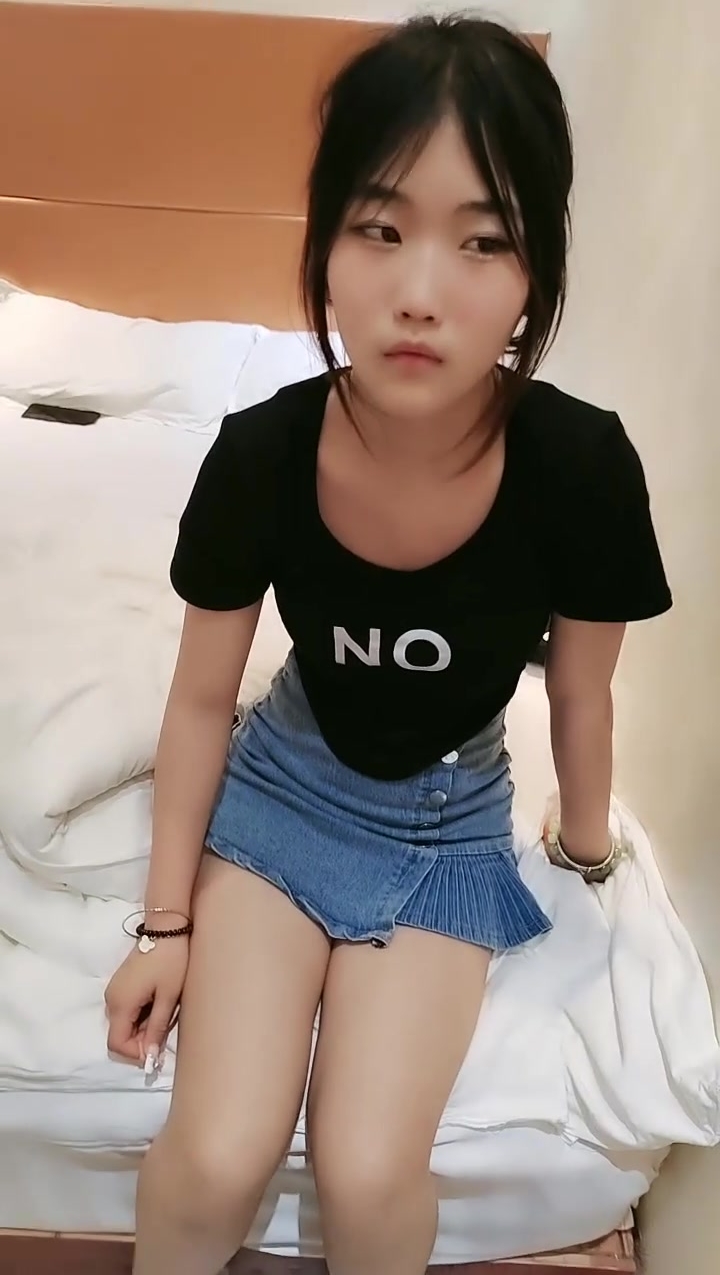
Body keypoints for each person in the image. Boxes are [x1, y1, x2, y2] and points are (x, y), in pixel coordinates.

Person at [105, 14, 672, 1275]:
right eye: (379, 227)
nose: (420, 291)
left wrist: (585, 850)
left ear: (535, 270)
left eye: (483, 240)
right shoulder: (259, 453)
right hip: (282, 793)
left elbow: (584, 694)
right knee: (216, 1158)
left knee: (368, 1178)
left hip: (447, 824)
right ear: (324, 243)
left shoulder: (580, 467)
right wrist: (164, 928)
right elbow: (200, 702)